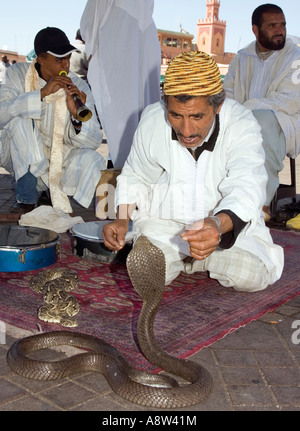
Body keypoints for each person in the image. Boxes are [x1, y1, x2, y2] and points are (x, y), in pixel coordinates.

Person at [102, 51, 284, 293]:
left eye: (197, 116)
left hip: (223, 226)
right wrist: (122, 219)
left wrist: (216, 226)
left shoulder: (241, 123)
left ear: (218, 105)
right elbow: (136, 176)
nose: (186, 130)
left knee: (252, 275)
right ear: (165, 104)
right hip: (166, 225)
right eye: (176, 115)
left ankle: (202, 258)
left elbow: (248, 186)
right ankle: (188, 258)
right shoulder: (153, 119)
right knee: (144, 273)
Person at [0, 27, 106, 215]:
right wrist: (41, 94)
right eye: (59, 59)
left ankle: (53, 192)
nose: (66, 65)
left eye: (68, 58)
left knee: (94, 159)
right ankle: (27, 196)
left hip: (59, 162)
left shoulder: (78, 85)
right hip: (23, 159)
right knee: (20, 121)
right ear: (41, 59)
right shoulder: (17, 74)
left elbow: (95, 141)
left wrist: (77, 119)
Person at [223, 3, 300, 221]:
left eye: (283, 24)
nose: (280, 30)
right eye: (273, 25)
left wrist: (243, 113)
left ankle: (261, 205)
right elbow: (228, 93)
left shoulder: (295, 56)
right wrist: (233, 114)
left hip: (285, 124)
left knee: (262, 120)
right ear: (255, 30)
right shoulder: (242, 57)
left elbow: (290, 101)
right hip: (242, 121)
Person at [80, 0, 161, 168]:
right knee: (141, 118)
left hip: (116, 42)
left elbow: (89, 22)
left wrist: (92, 50)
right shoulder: (145, 20)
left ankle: (125, 172)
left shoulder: (119, 19)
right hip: (140, 39)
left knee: (120, 120)